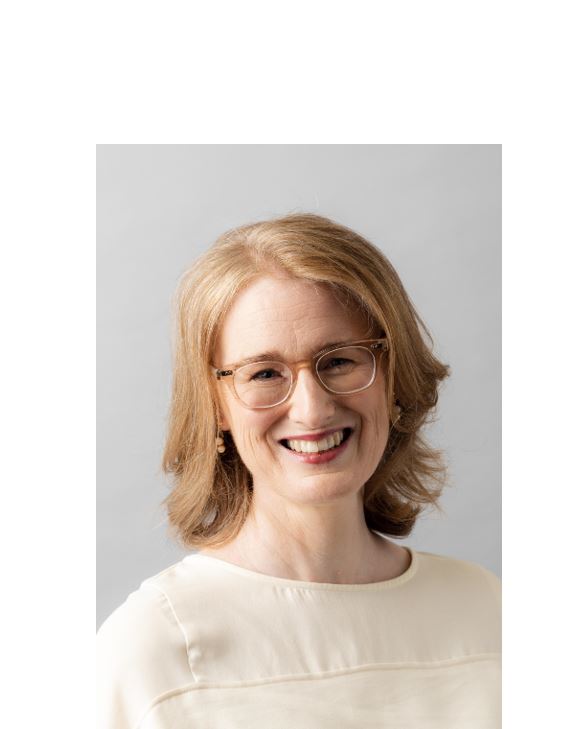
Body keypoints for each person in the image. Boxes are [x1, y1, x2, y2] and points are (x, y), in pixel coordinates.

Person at [97, 213, 501, 728]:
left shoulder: (487, 611)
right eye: (264, 373)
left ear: (393, 376)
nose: (312, 410)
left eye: (339, 361)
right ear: (215, 405)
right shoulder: (153, 650)